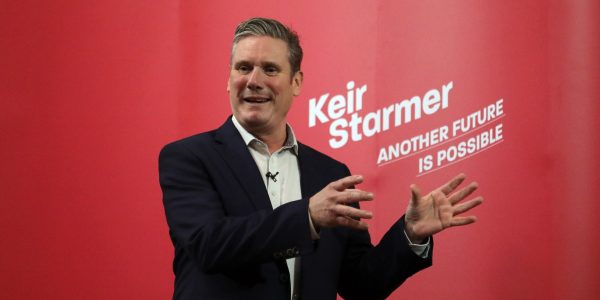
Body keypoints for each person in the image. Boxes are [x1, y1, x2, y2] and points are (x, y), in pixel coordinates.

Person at [159, 17, 483, 300]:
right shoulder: (188, 157)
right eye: (243, 67)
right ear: (229, 79)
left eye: (270, 69)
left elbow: (361, 285)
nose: (253, 80)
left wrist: (410, 235)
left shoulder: (329, 173)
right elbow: (209, 245)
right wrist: (308, 217)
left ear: (296, 82)